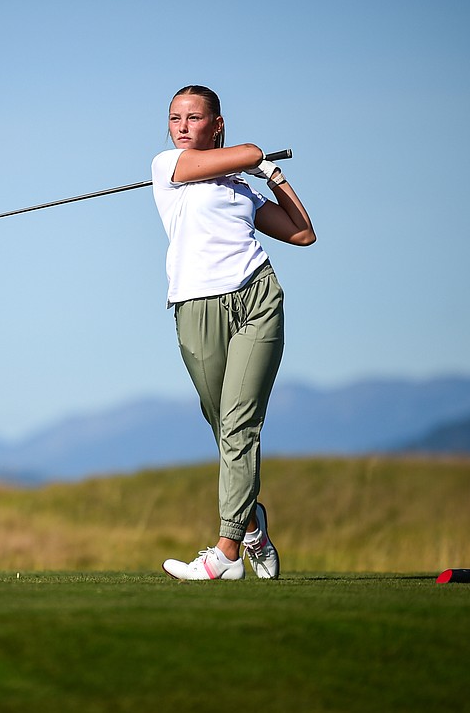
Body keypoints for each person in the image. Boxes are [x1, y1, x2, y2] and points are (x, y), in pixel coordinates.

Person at [151, 85, 315, 580]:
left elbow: (302, 232)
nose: (182, 126)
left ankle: (225, 555)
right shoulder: (167, 167)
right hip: (194, 305)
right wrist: (252, 158)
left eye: (194, 118)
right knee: (222, 424)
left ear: (215, 124)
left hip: (256, 297)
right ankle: (251, 526)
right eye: (175, 117)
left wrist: (271, 175)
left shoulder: (241, 188)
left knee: (241, 424)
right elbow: (247, 152)